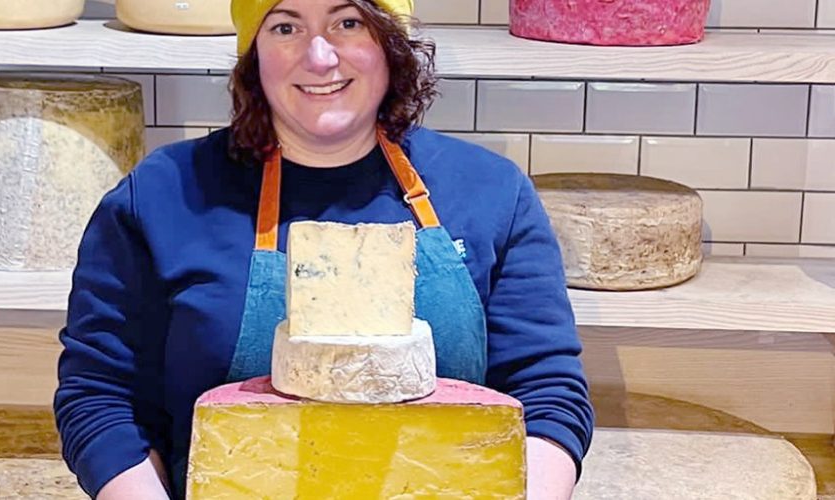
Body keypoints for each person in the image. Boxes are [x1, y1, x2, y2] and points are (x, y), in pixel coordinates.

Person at [54, 0, 594, 498]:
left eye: (348, 22)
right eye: (285, 26)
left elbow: (548, 395)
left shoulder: (489, 191)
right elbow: (102, 399)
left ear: (391, 42)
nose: (319, 57)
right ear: (253, 54)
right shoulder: (162, 195)